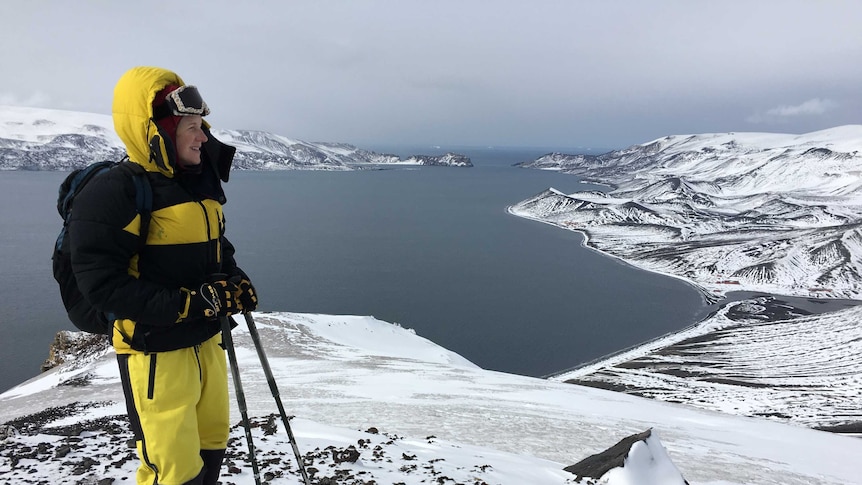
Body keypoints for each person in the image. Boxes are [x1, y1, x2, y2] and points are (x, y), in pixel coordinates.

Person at [68, 66, 258, 485]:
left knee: (211, 452)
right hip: (156, 353)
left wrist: (235, 279)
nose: (203, 137)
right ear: (158, 130)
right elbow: (102, 285)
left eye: (202, 127)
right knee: (172, 472)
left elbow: (217, 250)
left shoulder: (195, 185)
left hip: (206, 342)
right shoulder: (116, 192)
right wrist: (189, 304)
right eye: (192, 127)